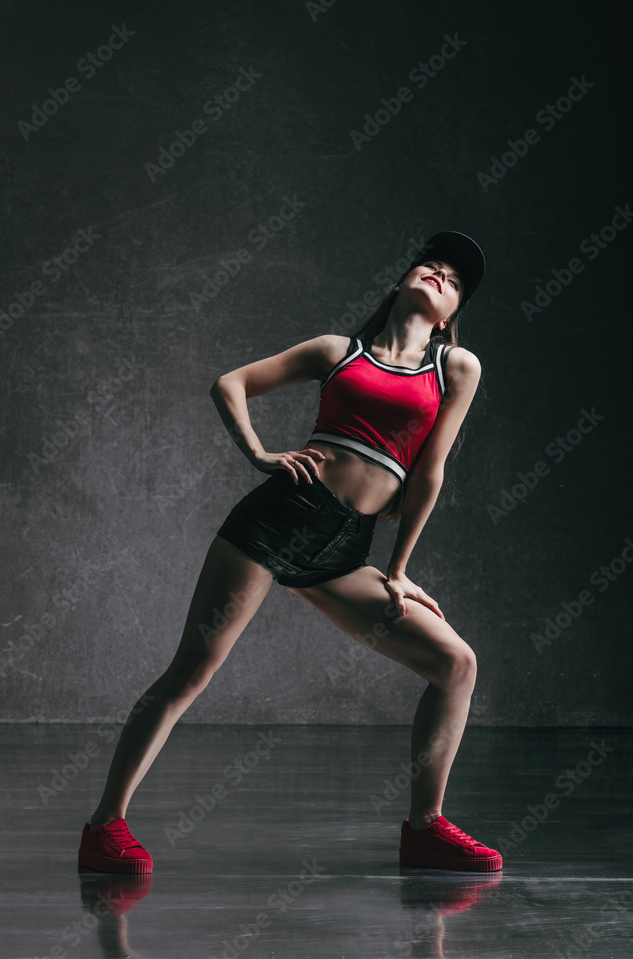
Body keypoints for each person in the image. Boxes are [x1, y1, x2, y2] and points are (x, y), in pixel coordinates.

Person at [78, 230, 503, 874]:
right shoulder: (338, 350)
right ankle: (104, 825)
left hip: (344, 548)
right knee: (192, 670)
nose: (441, 273)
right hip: (278, 520)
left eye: (454, 279)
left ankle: (424, 828)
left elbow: (430, 474)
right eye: (431, 264)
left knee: (456, 663)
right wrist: (258, 453)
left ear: (451, 316)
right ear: (398, 284)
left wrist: (396, 571)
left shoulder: (456, 368)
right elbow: (232, 383)